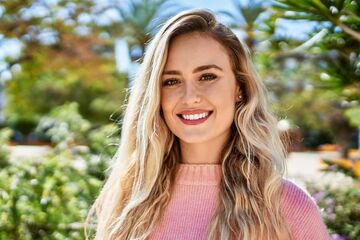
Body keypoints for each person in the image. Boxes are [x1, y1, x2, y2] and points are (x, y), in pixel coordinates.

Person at [86, 9, 331, 240]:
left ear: (240, 88)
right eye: (171, 81)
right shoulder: (126, 201)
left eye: (207, 76)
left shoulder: (287, 206)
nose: (190, 96)